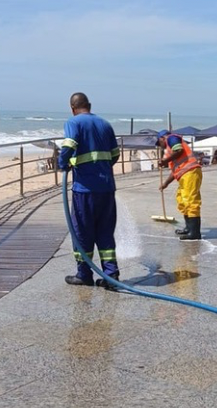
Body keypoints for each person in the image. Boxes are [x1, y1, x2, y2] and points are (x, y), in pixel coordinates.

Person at [58, 92, 121, 290]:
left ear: (72, 108)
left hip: (85, 190)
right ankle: (111, 276)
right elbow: (115, 155)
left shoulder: (74, 122)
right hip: (107, 188)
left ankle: (84, 274)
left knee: (82, 231)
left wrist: (63, 163)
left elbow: (69, 145)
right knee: (105, 231)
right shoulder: (105, 124)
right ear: (90, 105)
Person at [157, 129, 203, 241]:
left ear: (163, 138)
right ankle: (188, 228)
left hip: (190, 172)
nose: (160, 146)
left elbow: (179, 150)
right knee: (182, 200)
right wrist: (165, 184)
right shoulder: (170, 149)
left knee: (190, 201)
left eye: (159, 143)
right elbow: (175, 171)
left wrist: (165, 160)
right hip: (185, 174)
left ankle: (195, 232)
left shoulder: (172, 138)